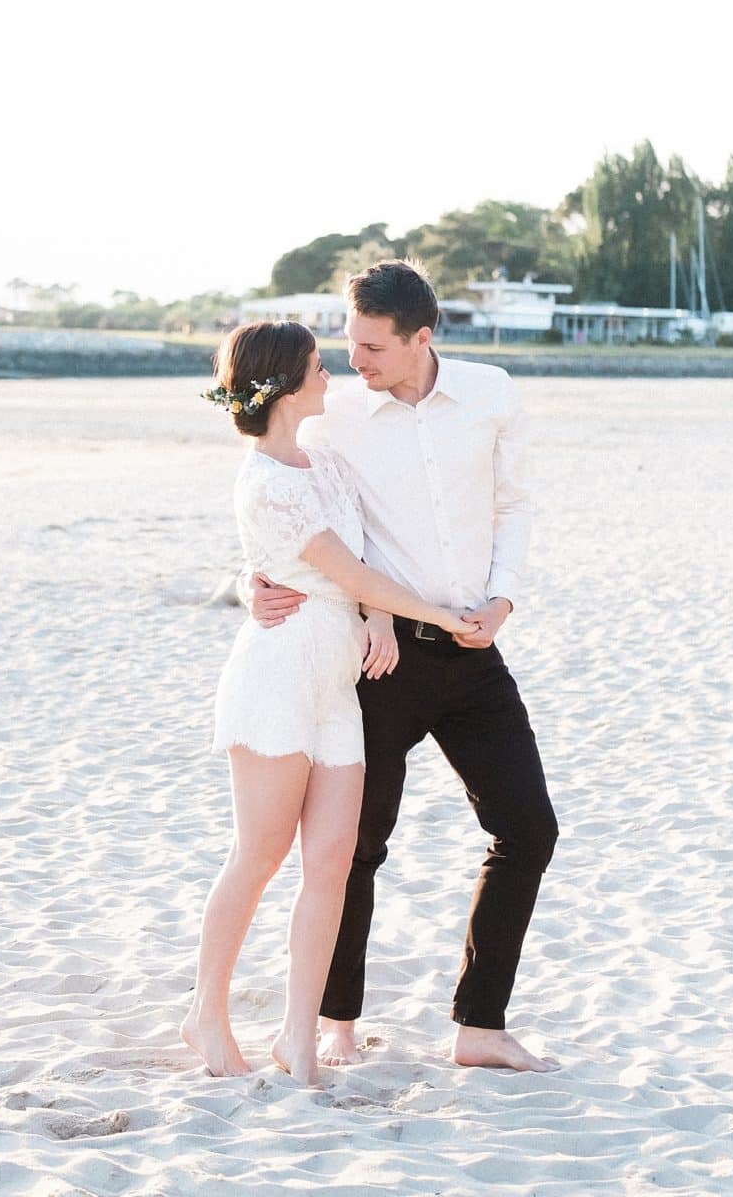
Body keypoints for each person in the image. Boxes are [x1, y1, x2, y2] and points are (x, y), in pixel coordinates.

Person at [247, 260, 559, 1073]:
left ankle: (479, 1027)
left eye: (374, 347)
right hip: (379, 659)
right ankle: (335, 1021)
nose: (357, 360)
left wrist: (504, 598)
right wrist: (255, 579)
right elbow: (276, 491)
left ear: (423, 339)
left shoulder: (490, 393)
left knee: (528, 829)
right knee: (353, 846)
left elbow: (513, 503)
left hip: (474, 647)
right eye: (350, 343)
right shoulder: (334, 412)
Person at [181, 319, 479, 1086]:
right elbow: (344, 569)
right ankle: (205, 1014)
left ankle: (297, 1036)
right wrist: (436, 616)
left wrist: (380, 615)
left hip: (336, 691)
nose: (331, 375)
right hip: (278, 678)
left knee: (332, 865)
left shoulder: (325, 466)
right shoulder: (264, 482)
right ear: (283, 384)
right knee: (258, 856)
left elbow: (364, 562)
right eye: (317, 366)